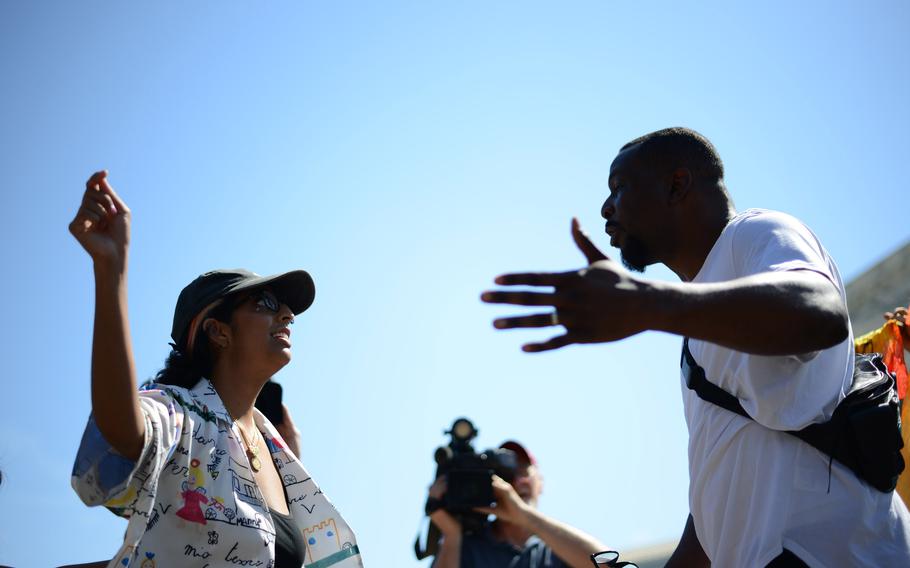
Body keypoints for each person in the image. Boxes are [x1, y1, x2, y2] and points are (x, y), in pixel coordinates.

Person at [481, 128, 910, 566]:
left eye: (619, 187)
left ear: (677, 184)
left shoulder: (755, 232)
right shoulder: (698, 332)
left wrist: (645, 303)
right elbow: (717, 503)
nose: (606, 208)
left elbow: (821, 312)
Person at [69, 171, 363, 567]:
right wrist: (111, 272)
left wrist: (291, 451)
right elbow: (123, 429)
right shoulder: (182, 414)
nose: (287, 314)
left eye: (286, 307)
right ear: (218, 332)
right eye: (265, 303)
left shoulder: (278, 453)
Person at [426, 440, 614, 568]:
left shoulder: (559, 549)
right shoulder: (467, 548)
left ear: (540, 483)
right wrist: (451, 535)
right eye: (507, 476)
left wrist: (525, 517)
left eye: (524, 472)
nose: (516, 482)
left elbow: (608, 564)